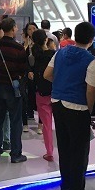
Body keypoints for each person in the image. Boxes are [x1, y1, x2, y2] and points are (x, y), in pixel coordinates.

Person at [43, 21, 95, 190]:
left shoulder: (60, 52)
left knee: (65, 149)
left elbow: (47, 74)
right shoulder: (91, 60)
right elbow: (91, 90)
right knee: (79, 154)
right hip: (77, 107)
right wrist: (89, 110)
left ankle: (66, 189)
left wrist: (61, 84)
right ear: (92, 39)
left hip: (57, 103)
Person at [0, 17, 29, 163]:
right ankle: (16, 154)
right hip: (12, 88)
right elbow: (23, 70)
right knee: (15, 121)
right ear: (13, 28)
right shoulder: (19, 48)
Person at [31, 29, 56, 161]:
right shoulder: (54, 55)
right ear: (46, 40)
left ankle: (49, 152)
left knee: (46, 126)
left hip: (41, 93)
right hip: (56, 93)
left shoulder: (33, 57)